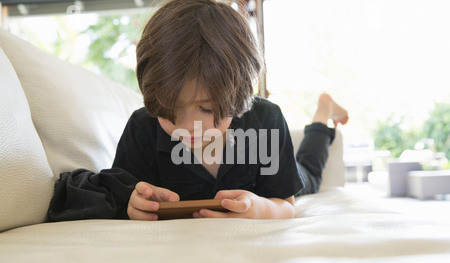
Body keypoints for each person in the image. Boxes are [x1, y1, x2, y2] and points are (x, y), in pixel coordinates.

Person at [47, 0, 348, 222]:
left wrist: (258, 209)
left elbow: (285, 204)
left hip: (270, 181)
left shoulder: (266, 119)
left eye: (206, 108)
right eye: (169, 111)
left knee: (309, 176)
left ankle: (322, 114)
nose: (188, 127)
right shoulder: (143, 127)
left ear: (239, 95)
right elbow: (124, 192)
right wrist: (132, 204)